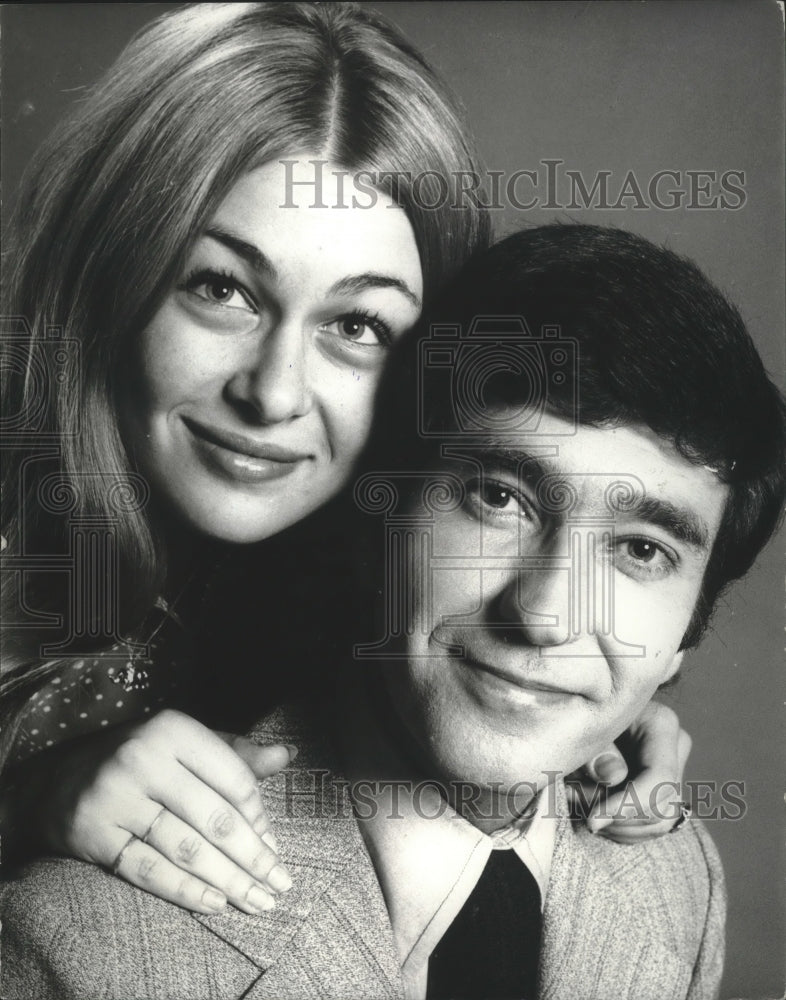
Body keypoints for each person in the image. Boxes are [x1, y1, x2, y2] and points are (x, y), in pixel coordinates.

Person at [0, 2, 687, 917]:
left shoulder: (358, 571)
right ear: (112, 273)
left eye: (357, 326)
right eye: (221, 288)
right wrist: (30, 803)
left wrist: (589, 714)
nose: (274, 392)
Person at [3, 224, 784, 999]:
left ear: (688, 634)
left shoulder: (679, 883)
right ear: (382, 514)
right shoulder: (82, 944)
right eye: (499, 498)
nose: (546, 614)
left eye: (642, 551)